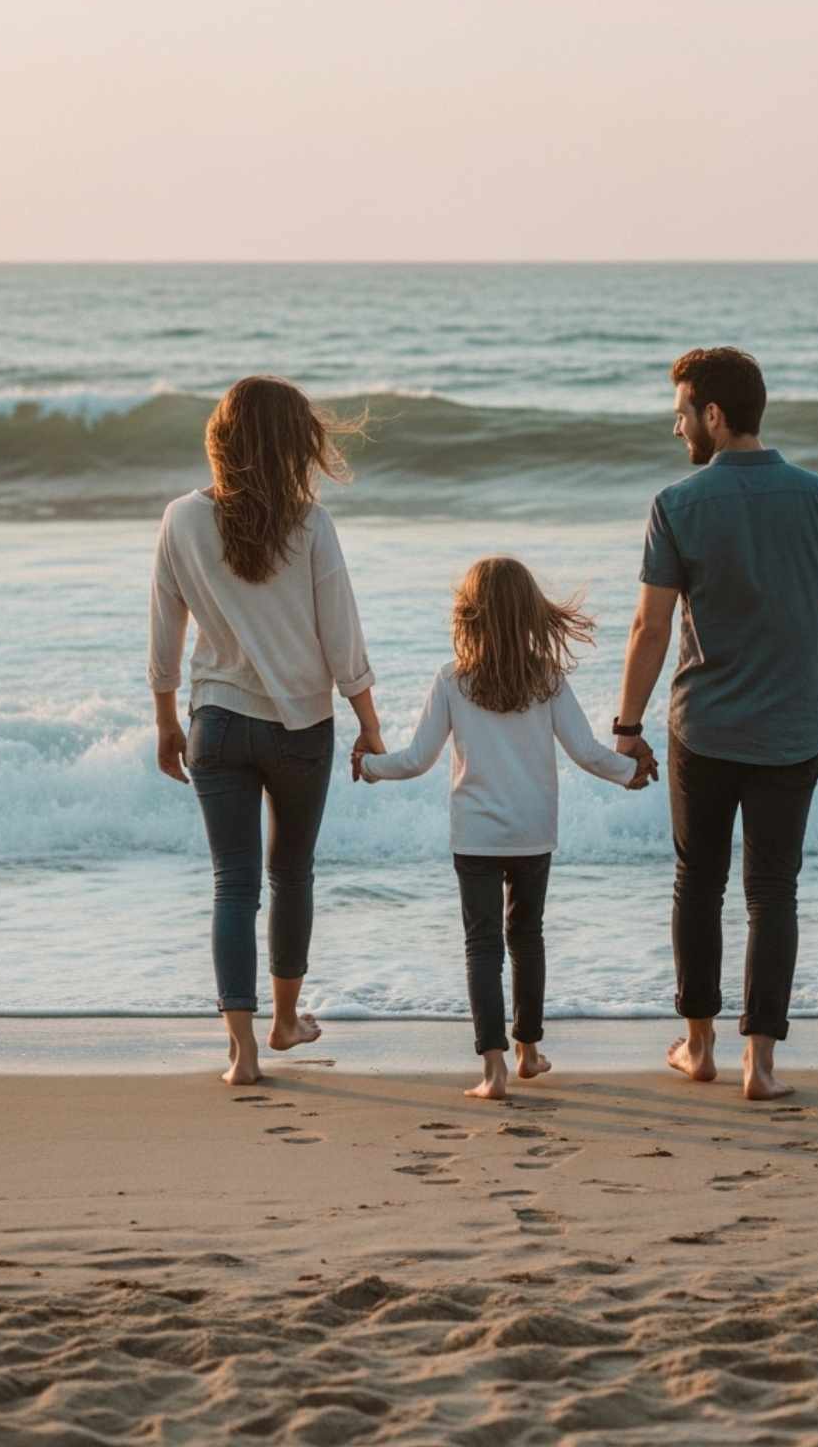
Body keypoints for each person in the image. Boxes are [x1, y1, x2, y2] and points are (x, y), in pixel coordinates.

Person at [613, 347, 818, 1101]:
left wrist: (627, 727)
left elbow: (649, 629)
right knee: (774, 891)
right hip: (794, 730)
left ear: (715, 417)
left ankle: (697, 1047)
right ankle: (760, 1063)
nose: (676, 428)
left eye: (682, 413)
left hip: (703, 728)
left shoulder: (676, 505)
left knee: (698, 882)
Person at [148, 375, 384, 1086]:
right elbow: (342, 636)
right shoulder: (310, 524)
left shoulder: (181, 519)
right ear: (290, 446)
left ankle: (242, 1053)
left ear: (222, 440)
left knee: (233, 885)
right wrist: (370, 727)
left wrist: (166, 723)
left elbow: (165, 631)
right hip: (300, 725)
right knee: (290, 876)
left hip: (215, 723)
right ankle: (284, 1021)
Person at [354, 557, 653, 1099]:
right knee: (527, 937)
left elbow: (418, 759)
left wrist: (371, 767)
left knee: (482, 945)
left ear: (470, 616)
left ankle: (492, 1071)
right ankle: (530, 1052)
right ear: (530, 614)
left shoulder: (452, 680)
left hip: (475, 837)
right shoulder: (547, 679)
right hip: (533, 834)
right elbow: (585, 752)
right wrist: (630, 772)